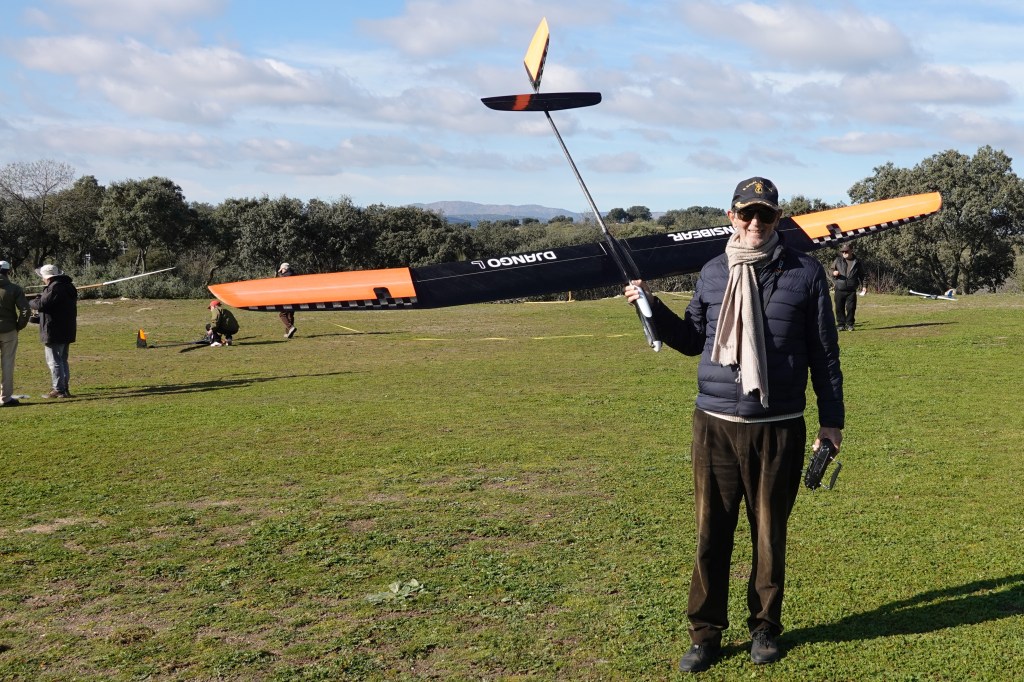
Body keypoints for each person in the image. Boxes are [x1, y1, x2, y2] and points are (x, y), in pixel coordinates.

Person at [624, 177, 844, 673]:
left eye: (765, 214)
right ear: (732, 216)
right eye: (747, 213)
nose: (755, 223)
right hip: (716, 423)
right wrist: (650, 305)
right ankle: (705, 634)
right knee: (711, 534)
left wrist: (832, 422)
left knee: (769, 535)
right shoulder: (713, 272)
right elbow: (690, 339)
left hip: (779, 424)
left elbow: (825, 353)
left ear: (778, 218)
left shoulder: (805, 272)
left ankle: (764, 628)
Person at [29, 263, 77, 399]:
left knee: (54, 361)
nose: (42, 279)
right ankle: (64, 388)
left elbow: (41, 304)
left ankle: (59, 389)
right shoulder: (68, 286)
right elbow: (53, 307)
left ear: (48, 277)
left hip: (54, 330)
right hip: (66, 328)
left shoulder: (55, 288)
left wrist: (31, 302)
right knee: (62, 360)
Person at [0, 260, 31, 407]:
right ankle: (5, 398)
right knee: (7, 364)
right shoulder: (14, 289)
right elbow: (25, 310)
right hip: (9, 330)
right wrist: (19, 326)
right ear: (8, 272)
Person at [831, 243, 865, 331]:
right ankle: (841, 325)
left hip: (851, 289)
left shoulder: (857, 262)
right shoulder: (838, 260)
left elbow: (862, 275)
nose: (844, 253)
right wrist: (834, 273)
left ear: (851, 251)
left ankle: (850, 324)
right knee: (839, 307)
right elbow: (831, 270)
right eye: (842, 252)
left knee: (851, 308)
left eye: (846, 251)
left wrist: (864, 286)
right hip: (839, 288)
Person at [276, 262, 297, 338]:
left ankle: (290, 328)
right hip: (295, 297)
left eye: (282, 270)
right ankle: (289, 333)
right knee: (290, 315)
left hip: (287, 297)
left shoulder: (284, 277)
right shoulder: (294, 274)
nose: (281, 271)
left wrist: (278, 275)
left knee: (282, 314)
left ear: (284, 269)